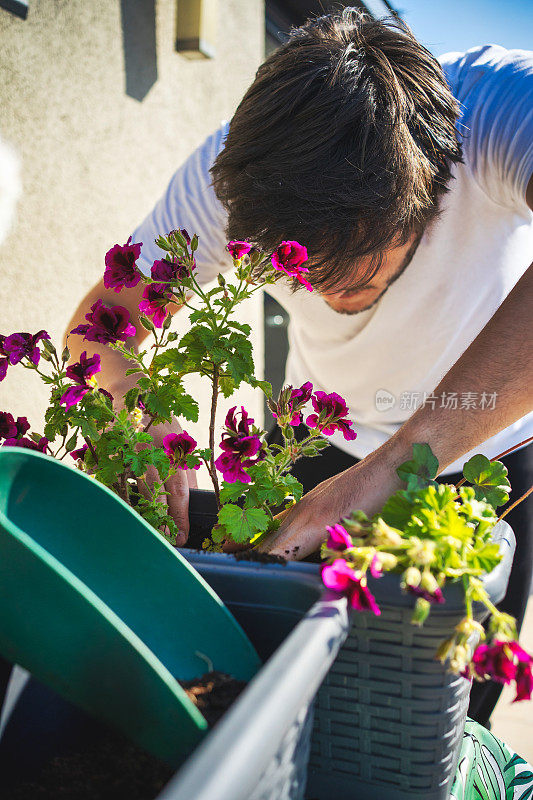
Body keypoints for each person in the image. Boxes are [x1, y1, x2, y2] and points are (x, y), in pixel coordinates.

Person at [66, 10, 533, 724]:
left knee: (441, 710)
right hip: (327, 448)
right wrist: (146, 411)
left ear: (433, 190)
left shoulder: (500, 109)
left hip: (489, 448)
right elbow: (103, 326)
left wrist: (395, 463)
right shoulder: (236, 175)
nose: (318, 296)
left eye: (350, 274)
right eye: (296, 273)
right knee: (290, 692)